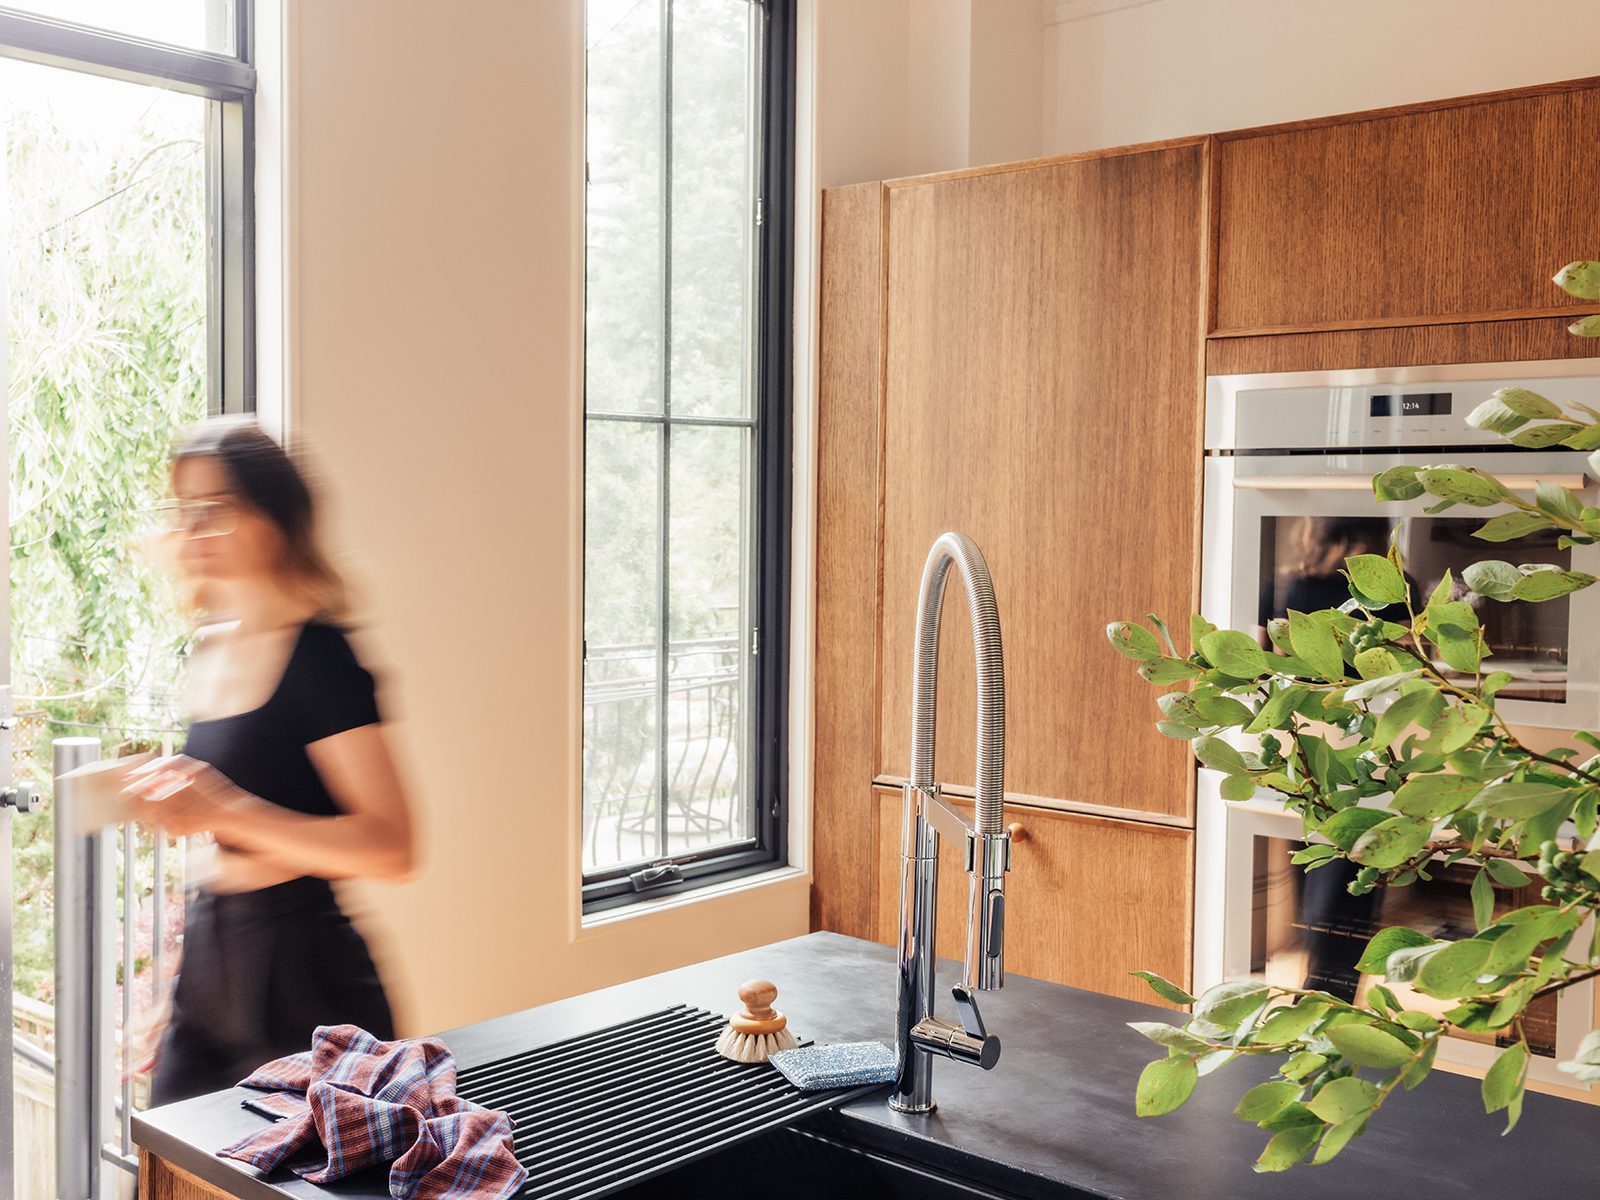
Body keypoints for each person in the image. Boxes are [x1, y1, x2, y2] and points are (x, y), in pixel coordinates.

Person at [126, 418, 415, 1105]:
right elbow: (224, 853)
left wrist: (223, 808)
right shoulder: (210, 648)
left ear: (274, 519)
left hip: (305, 975)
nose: (193, 532)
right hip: (213, 960)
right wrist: (179, 992)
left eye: (215, 510)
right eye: (183, 512)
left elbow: (394, 845)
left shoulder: (322, 659)